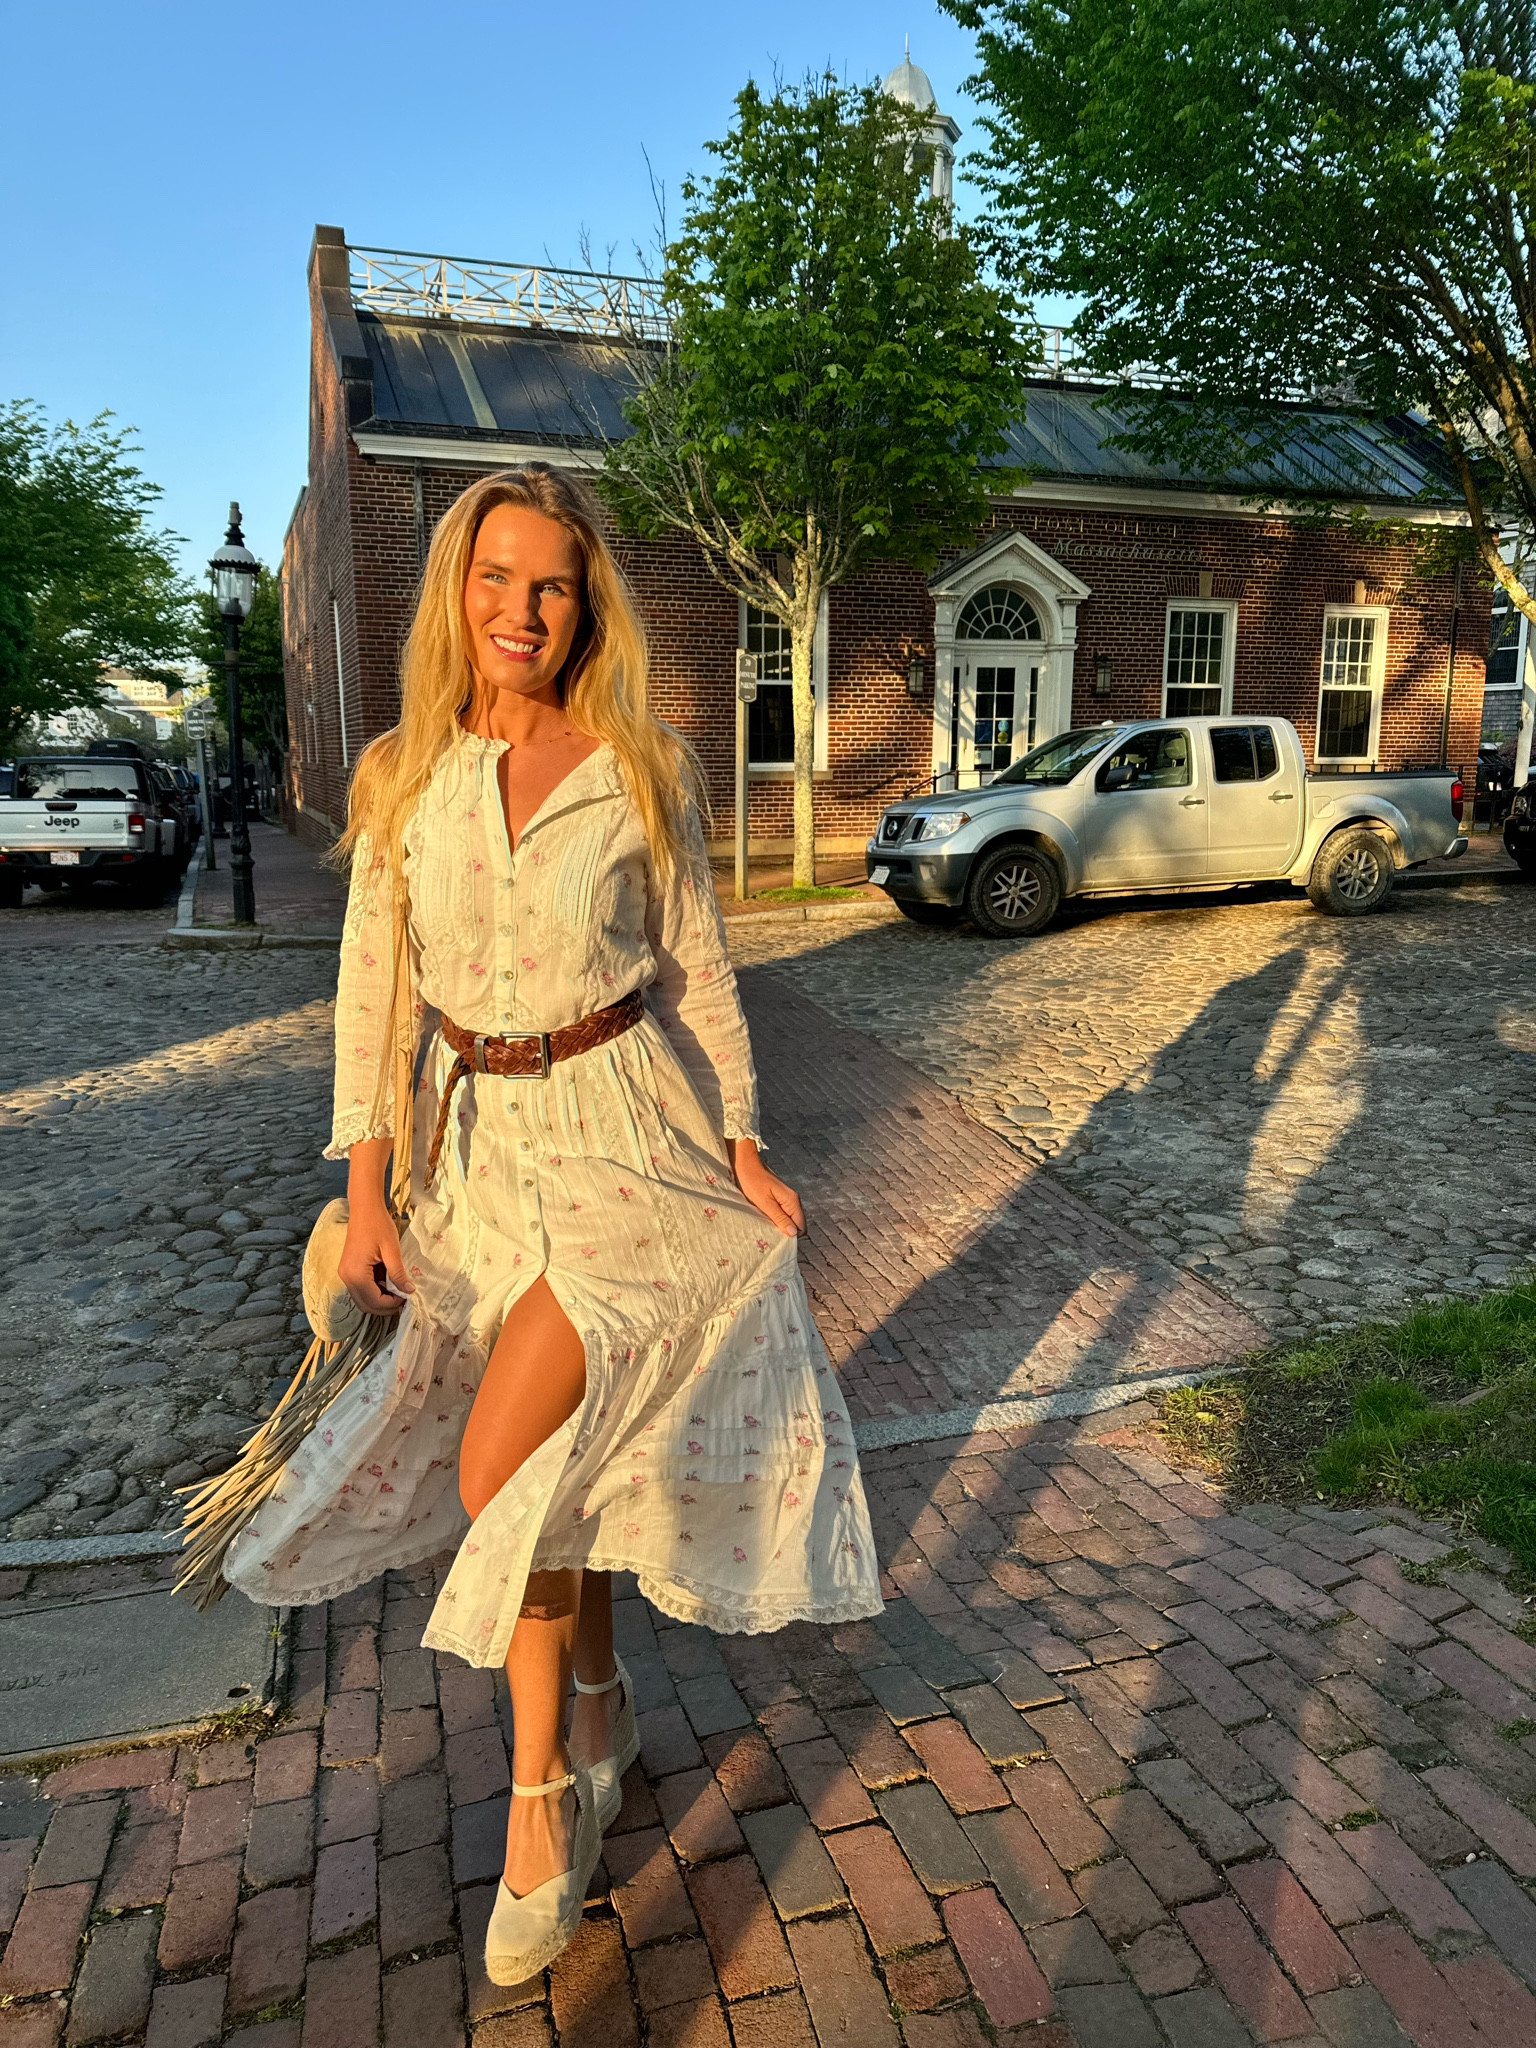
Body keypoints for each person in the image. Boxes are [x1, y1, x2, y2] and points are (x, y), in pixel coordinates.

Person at [223, 465, 882, 1980]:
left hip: (623, 1147)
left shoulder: (644, 767)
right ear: (457, 590)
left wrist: (746, 1143)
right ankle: (596, 1701)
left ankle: (538, 1812)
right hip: (472, 1166)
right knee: (541, 1476)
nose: (523, 612)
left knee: (498, 1465)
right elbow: (372, 1002)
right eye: (497, 580)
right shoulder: (401, 775)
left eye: (554, 586)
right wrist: (366, 1188)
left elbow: (700, 972)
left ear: (588, 604)